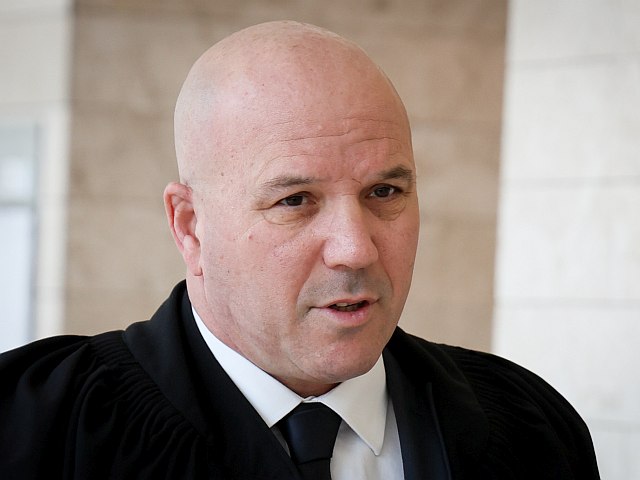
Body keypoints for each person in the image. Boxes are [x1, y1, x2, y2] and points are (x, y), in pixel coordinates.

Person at [0, 21, 599, 480]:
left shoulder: (533, 429)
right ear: (191, 227)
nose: (354, 249)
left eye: (384, 192)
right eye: (295, 200)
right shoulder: (31, 428)